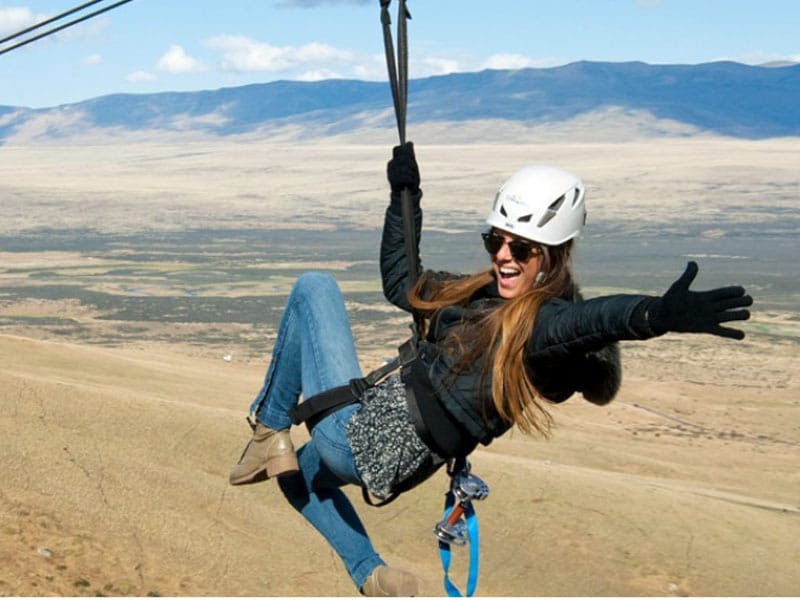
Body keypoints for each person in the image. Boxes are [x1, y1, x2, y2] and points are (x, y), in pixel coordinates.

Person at [228, 142, 752, 597]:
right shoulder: (481, 294)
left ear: (553, 255)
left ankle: (267, 425)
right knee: (294, 474)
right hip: (394, 462)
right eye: (495, 240)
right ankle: (370, 573)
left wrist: (656, 315)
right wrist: (404, 198)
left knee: (313, 287)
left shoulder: (541, 327)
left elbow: (597, 319)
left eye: (520, 248)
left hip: (357, 440)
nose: (503, 255)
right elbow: (403, 284)